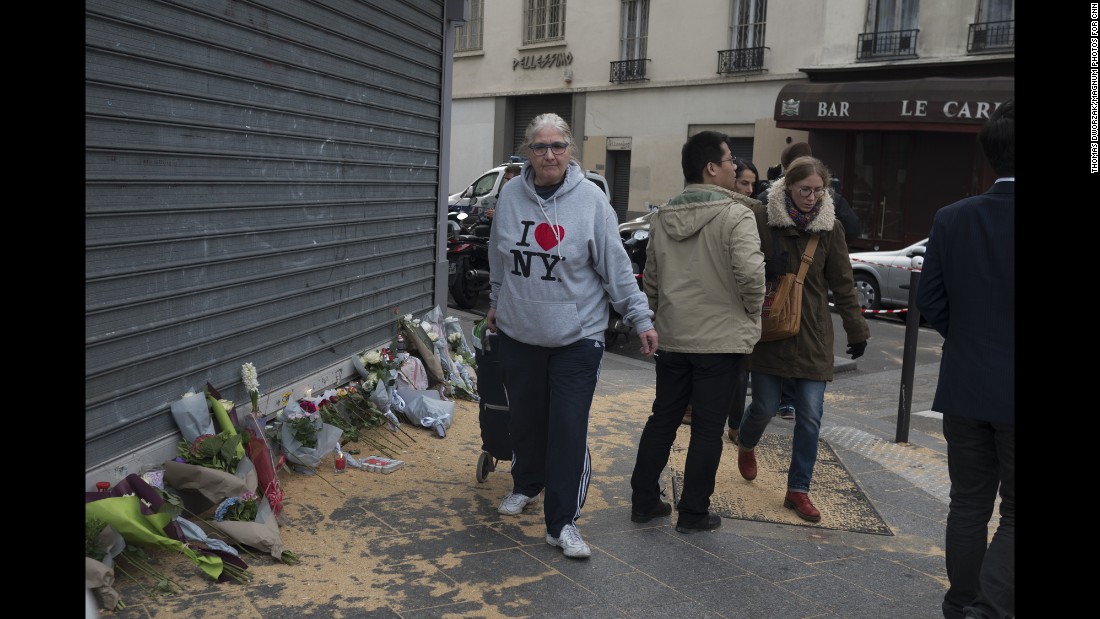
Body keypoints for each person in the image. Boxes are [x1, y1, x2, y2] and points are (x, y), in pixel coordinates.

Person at [485, 113, 658, 560]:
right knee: (524, 419)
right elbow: (499, 257)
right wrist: (496, 302)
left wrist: (640, 318)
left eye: (558, 146)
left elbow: (616, 268)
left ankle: (562, 522)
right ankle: (527, 483)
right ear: (528, 151)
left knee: (566, 427)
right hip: (520, 332)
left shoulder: (591, 202)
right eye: (540, 147)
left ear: (570, 151)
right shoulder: (509, 195)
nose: (549, 155)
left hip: (577, 337)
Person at [629, 131, 765, 534]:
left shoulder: (663, 216)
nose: (734, 167)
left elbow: (650, 279)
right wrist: (749, 312)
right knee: (707, 428)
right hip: (720, 341)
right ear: (711, 167)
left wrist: (658, 315)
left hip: (673, 337)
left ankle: (644, 500)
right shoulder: (736, 214)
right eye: (729, 161)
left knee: (663, 418)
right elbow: (751, 277)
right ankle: (693, 512)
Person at [915, 100, 1014, 619]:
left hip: (965, 386)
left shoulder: (952, 217)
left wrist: (971, 339)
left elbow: (930, 300)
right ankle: (991, 610)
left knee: (969, 505)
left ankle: (962, 603)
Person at [734, 155, 869, 523]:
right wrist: (764, 267)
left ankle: (798, 489)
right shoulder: (764, 219)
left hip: (813, 332)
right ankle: (746, 443)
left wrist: (857, 330)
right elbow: (740, 263)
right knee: (763, 405)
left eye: (818, 191)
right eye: (804, 190)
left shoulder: (831, 229)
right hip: (772, 329)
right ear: (788, 187)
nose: (812, 197)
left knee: (810, 416)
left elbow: (843, 283)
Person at [726, 156, 764, 444]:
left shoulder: (758, 215)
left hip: (744, 305)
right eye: (744, 183)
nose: (750, 189)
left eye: (753, 184)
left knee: (740, 372)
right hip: (722, 303)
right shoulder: (724, 213)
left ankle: (736, 424)